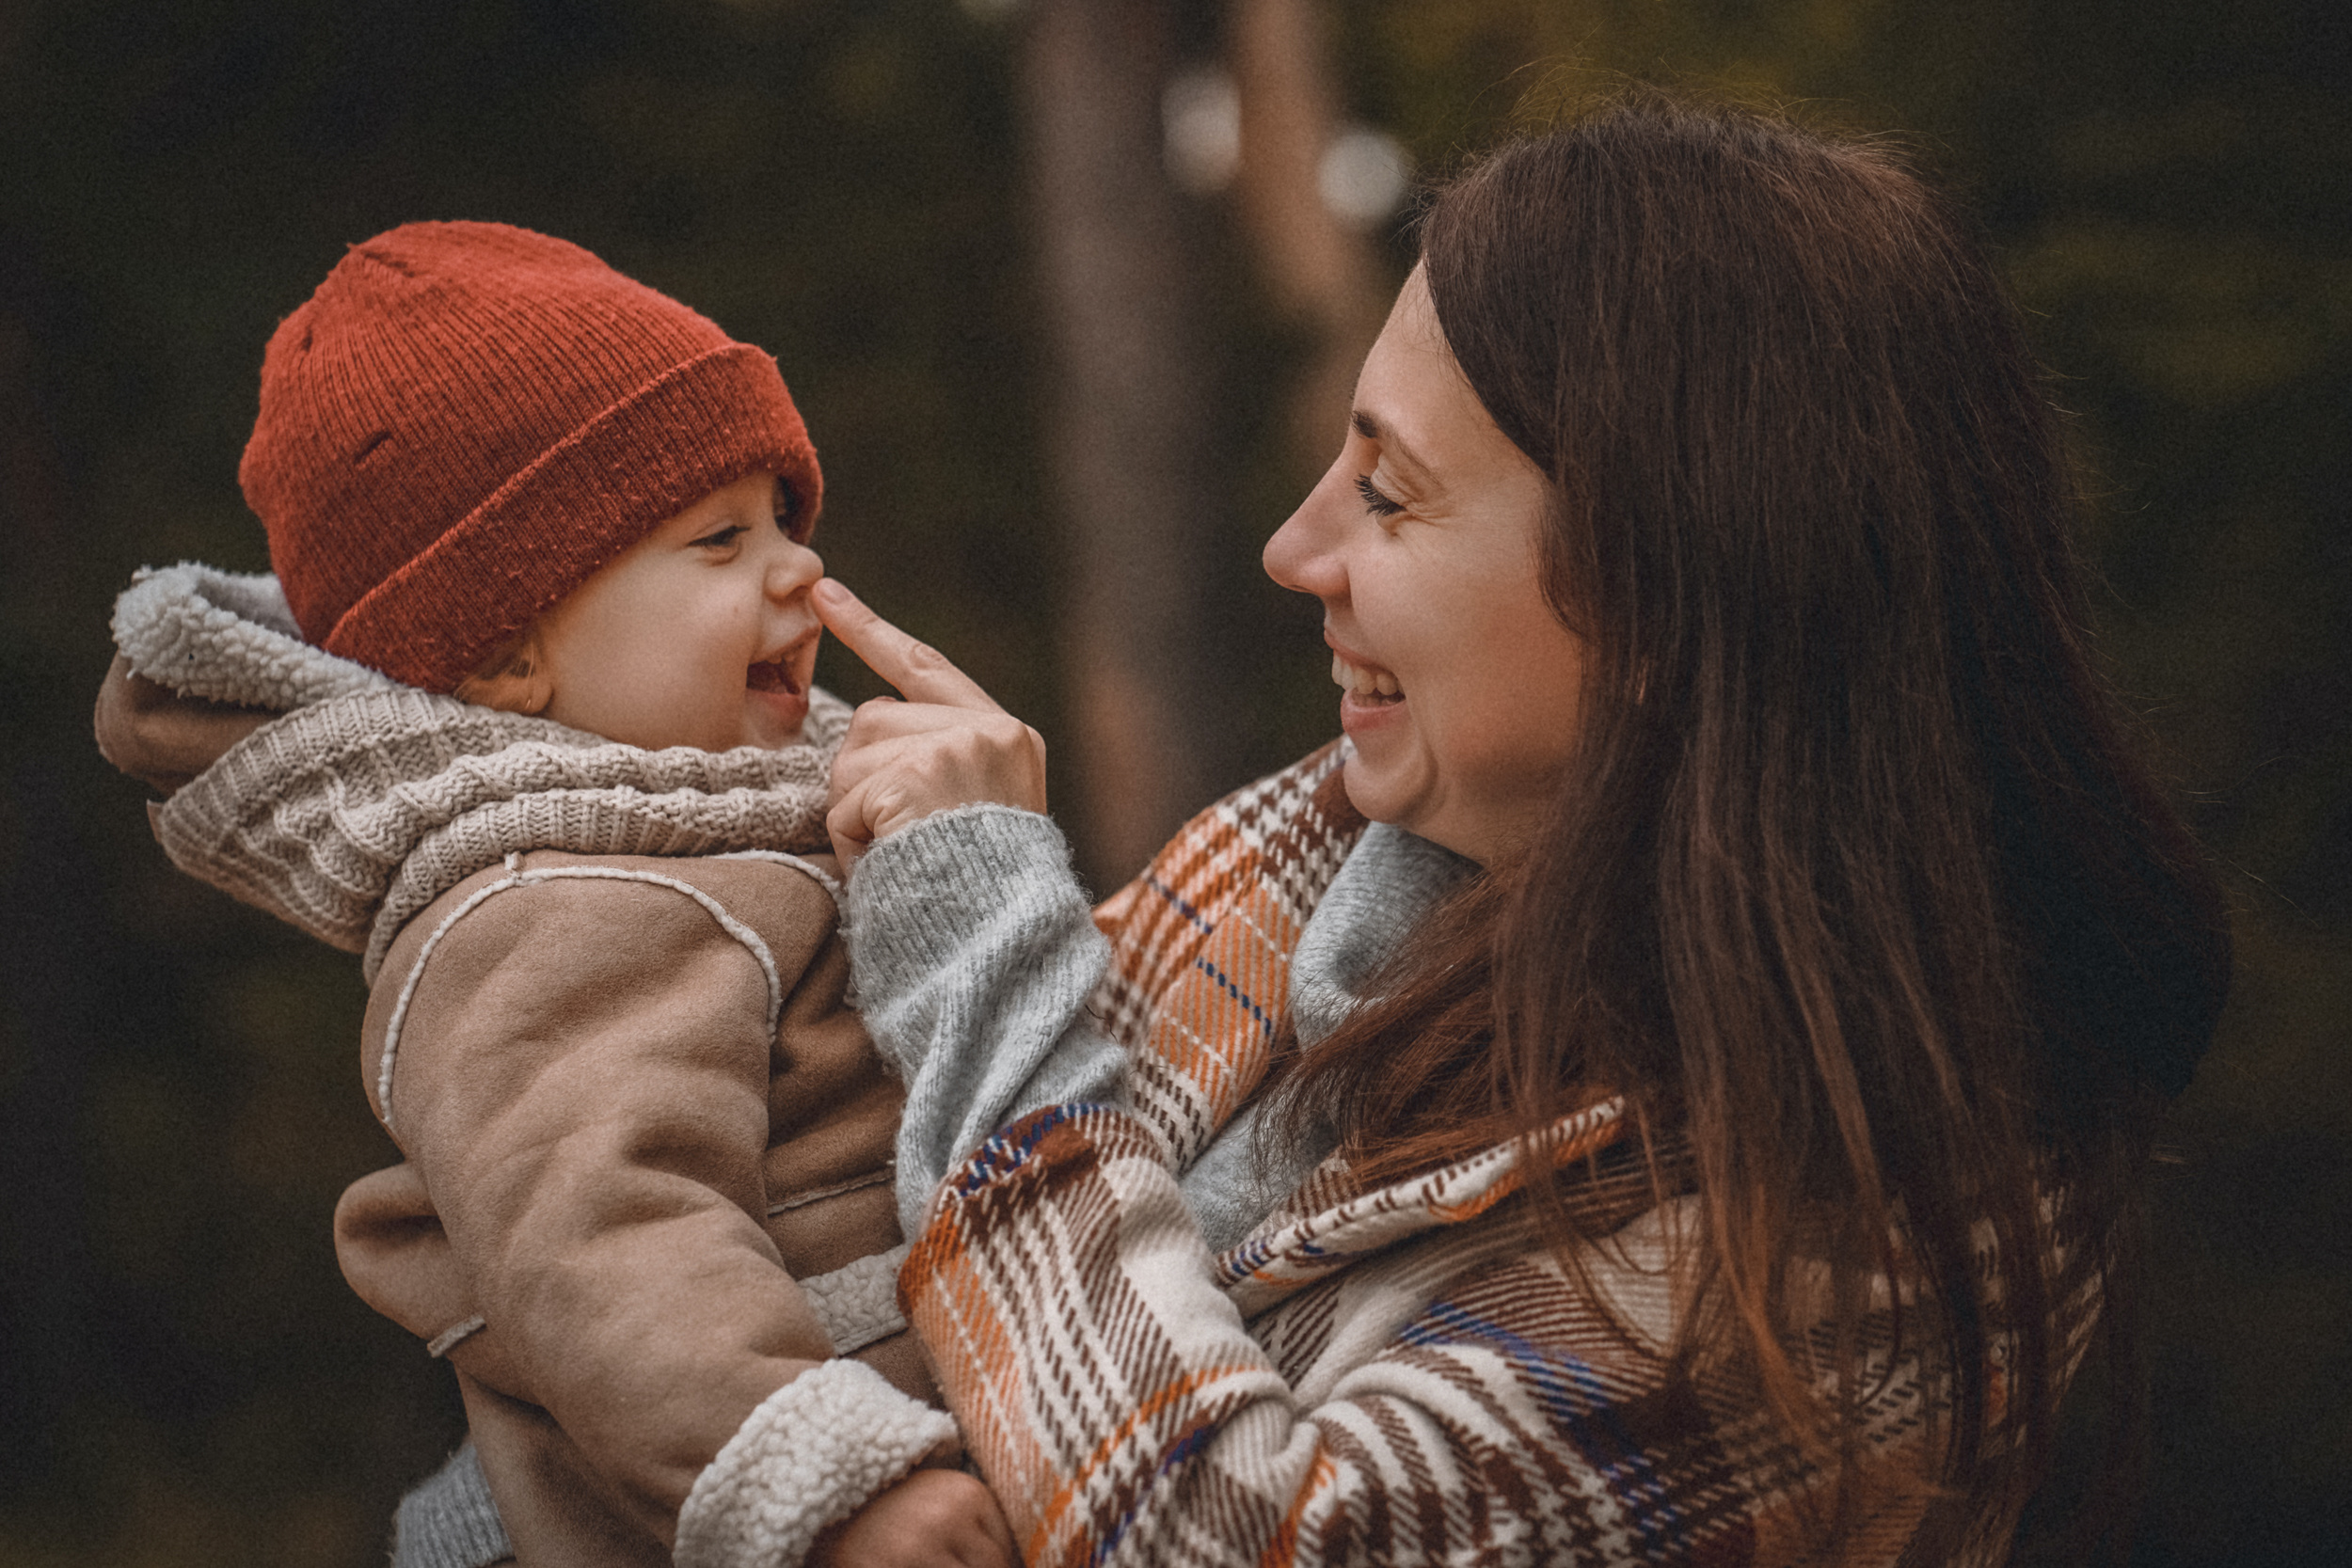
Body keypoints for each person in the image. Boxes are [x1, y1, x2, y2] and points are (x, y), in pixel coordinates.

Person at [801, 92, 2233, 1563]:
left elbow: (1224, 1542)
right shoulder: (1374, 843)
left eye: (1389, 493)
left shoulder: (1865, 1240)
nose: (1295, 552)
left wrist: (983, 952)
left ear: (1666, 597)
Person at [97, 222, 1012, 1568]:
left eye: (785, 519)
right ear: (509, 654)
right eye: (718, 540)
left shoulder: (730, 833)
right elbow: (603, 1238)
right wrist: (834, 1483)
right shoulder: (534, 906)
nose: (799, 571)